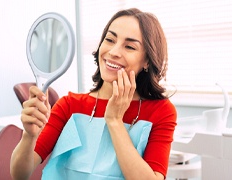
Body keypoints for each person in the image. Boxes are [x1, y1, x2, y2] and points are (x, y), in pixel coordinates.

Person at [10, 8, 177, 180]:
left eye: (129, 46)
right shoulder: (69, 105)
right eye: (110, 40)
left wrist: (114, 120)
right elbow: (19, 175)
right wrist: (29, 136)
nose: (113, 52)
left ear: (147, 61)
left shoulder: (161, 112)